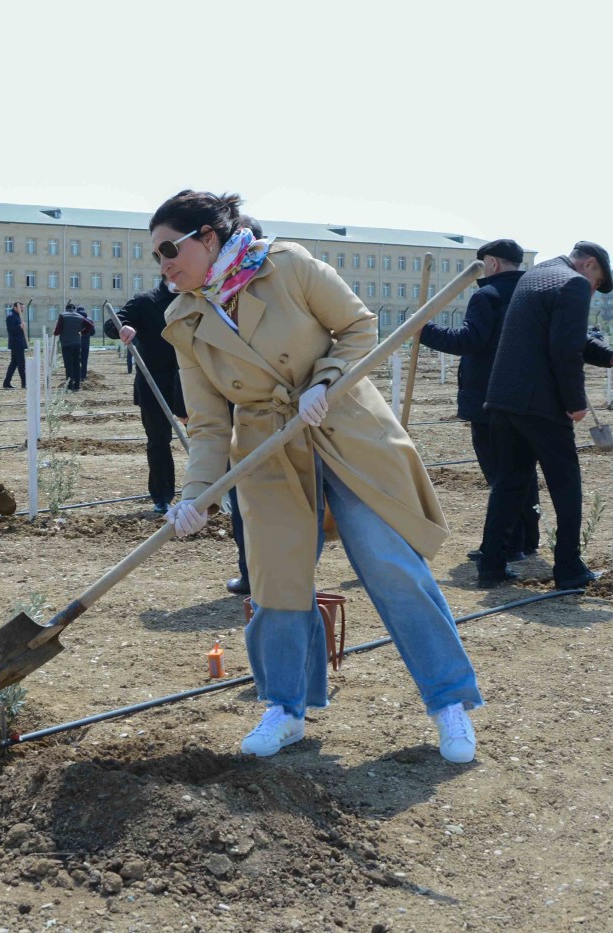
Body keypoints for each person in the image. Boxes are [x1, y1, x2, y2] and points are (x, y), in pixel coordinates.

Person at [153, 189, 482, 764]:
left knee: (391, 565)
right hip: (268, 450)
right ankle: (285, 708)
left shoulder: (289, 266)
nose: (163, 265)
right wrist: (195, 496)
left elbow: (358, 327)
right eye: (156, 256)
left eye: (168, 249)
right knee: (276, 582)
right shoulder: (185, 319)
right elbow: (207, 423)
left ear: (207, 237)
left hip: (342, 427)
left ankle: (448, 703)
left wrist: (326, 380)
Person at [478, 242, 613, 589]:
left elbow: (562, 336)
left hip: (504, 398)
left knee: (509, 483)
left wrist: (609, 355)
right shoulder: (573, 283)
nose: (592, 290)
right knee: (566, 486)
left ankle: (491, 565)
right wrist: (575, 401)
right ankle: (569, 568)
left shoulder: (536, 275)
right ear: (589, 265)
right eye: (596, 282)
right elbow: (565, 347)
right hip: (542, 404)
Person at [416, 239, 537, 562]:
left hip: (488, 399)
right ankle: (527, 538)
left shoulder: (487, 296)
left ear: (493, 264)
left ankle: (508, 544)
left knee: (499, 474)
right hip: (527, 399)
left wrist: (422, 328)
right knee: (521, 470)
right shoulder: (533, 294)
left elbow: (469, 340)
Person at [105, 282, 187, 517]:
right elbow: (113, 324)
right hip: (153, 381)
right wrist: (125, 327)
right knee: (158, 440)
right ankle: (162, 496)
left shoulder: (196, 297)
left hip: (191, 378)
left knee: (205, 437)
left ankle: (209, 493)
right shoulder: (145, 301)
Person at [53, 303, 93, 391]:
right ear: (74, 309)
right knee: (77, 364)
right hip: (77, 344)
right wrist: (83, 332)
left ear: (66, 309)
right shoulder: (79, 316)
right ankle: (77, 385)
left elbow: (57, 331)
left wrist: (56, 332)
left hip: (66, 344)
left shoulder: (62, 316)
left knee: (68, 365)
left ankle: (69, 385)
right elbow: (90, 326)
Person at [2, 301, 28, 389]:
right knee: (21, 364)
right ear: (15, 308)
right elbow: (11, 330)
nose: (22, 309)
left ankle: (6, 383)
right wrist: (19, 327)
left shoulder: (18, 316)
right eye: (21, 308)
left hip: (19, 343)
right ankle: (24, 383)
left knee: (14, 364)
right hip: (16, 343)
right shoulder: (11, 317)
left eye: (23, 308)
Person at [78, 306, 93, 381]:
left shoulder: (76, 318)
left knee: (77, 359)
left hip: (76, 341)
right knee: (84, 359)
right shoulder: (89, 319)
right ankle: (83, 376)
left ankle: (77, 374)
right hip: (86, 342)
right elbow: (93, 332)